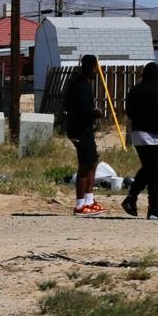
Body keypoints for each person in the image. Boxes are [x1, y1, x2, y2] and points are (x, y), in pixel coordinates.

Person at [122, 62, 158, 220]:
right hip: (153, 136)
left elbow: (128, 111)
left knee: (149, 168)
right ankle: (153, 208)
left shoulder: (135, 91)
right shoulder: (157, 93)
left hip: (138, 133)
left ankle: (132, 199)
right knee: (156, 170)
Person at [63, 54, 104, 216]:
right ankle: (80, 205)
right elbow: (81, 110)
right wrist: (95, 113)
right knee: (85, 166)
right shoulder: (82, 85)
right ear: (92, 67)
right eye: (96, 67)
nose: (97, 70)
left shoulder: (80, 82)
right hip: (79, 130)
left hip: (83, 129)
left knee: (93, 161)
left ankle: (89, 200)